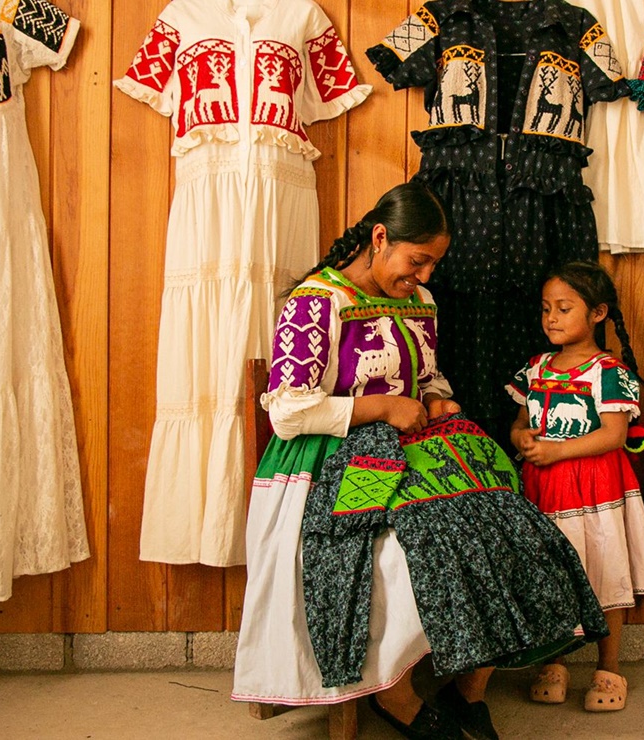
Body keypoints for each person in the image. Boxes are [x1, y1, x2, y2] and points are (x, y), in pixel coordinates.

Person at [231, 184, 607, 740]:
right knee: (398, 551)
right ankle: (394, 695)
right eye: (418, 261)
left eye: (432, 264)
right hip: (330, 460)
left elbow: (427, 374)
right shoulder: (318, 302)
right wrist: (383, 406)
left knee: (503, 526)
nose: (426, 276)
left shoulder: (419, 303)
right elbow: (288, 412)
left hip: (413, 449)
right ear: (380, 239)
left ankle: (467, 690)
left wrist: (434, 399)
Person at [508, 261, 644, 712]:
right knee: (554, 573)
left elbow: (614, 435)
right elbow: (521, 420)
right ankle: (554, 661)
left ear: (597, 313)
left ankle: (609, 666)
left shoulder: (609, 371)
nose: (551, 318)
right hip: (544, 488)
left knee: (603, 568)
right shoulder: (536, 367)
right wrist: (521, 437)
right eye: (545, 309)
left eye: (563, 308)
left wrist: (558, 451)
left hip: (595, 488)